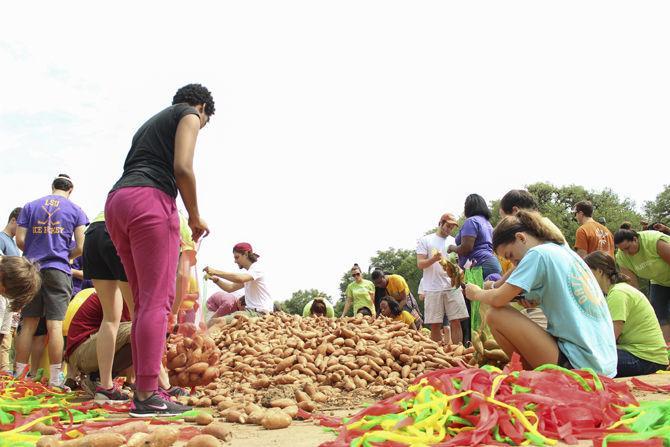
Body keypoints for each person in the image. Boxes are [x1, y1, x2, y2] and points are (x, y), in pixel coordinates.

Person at [104, 84, 214, 416]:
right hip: (150, 202)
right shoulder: (190, 114)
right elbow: (182, 168)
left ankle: (144, 390)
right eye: (205, 121)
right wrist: (194, 216)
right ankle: (148, 394)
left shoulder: (150, 124)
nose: (200, 126)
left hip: (117, 202)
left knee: (143, 305)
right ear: (202, 107)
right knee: (156, 303)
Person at [464, 211, 617, 376]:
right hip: (604, 366)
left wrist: (476, 293)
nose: (515, 264)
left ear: (521, 238)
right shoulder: (564, 252)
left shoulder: (537, 254)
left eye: (512, 257)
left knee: (495, 314)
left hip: (580, 365)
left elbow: (498, 298)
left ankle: (528, 375)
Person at [15, 174, 88, 388]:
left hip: (31, 269)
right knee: (55, 325)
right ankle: (56, 379)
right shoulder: (76, 210)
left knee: (27, 324)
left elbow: (20, 240)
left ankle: (18, 377)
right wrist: (64, 256)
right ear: (70, 189)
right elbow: (82, 246)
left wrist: (35, 252)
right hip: (58, 269)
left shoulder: (30, 206)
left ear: (53, 186)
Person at [584, 251, 668, 377]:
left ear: (599, 271)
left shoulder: (618, 293)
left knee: (583, 360)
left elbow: (611, 338)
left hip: (647, 359)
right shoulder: (617, 291)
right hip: (643, 355)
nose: (585, 277)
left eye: (587, 272)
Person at [81, 212, 135, 401]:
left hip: (94, 233)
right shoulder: (174, 210)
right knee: (141, 316)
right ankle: (155, 387)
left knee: (110, 317)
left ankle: (105, 386)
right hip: (120, 231)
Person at [416, 213, 469, 344]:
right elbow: (420, 264)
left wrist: (460, 276)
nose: (449, 229)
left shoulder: (454, 241)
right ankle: (438, 354)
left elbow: (457, 263)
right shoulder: (425, 240)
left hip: (452, 285)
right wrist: (434, 259)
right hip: (432, 287)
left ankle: (458, 351)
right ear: (440, 223)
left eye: (452, 227)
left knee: (456, 320)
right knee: (435, 324)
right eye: (448, 225)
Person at [614, 226, 670, 342]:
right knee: (659, 313)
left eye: (628, 248)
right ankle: (667, 347)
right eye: (622, 250)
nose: (626, 253)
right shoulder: (622, 256)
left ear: (635, 239)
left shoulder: (654, 241)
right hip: (658, 281)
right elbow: (633, 287)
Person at [204, 243, 274, 314]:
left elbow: (239, 278)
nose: (235, 261)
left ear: (246, 254)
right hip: (252, 311)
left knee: (217, 322)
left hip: (259, 311)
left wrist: (215, 271)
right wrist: (216, 280)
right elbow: (230, 288)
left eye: (237, 257)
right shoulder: (250, 274)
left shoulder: (257, 268)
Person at [448, 194, 502, 279]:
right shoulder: (487, 224)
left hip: (480, 266)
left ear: (468, 207)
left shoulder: (471, 221)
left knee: (477, 292)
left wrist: (451, 248)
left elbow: (466, 248)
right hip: (491, 263)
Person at [0, 207, 22, 372]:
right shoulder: (1, 238)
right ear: (13, 220)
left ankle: (4, 370)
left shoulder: (14, 245)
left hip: (10, 296)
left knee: (6, 335)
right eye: (20, 224)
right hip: (2, 293)